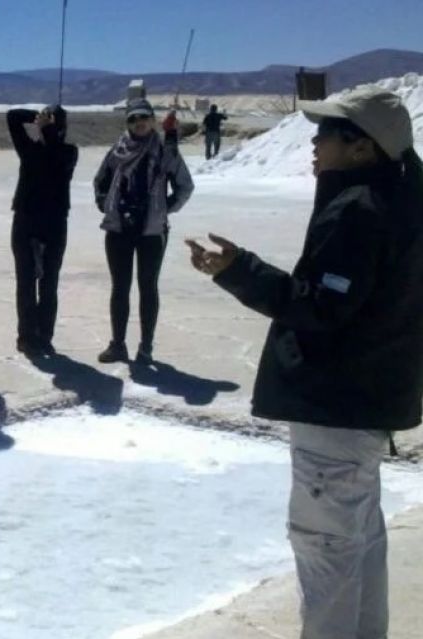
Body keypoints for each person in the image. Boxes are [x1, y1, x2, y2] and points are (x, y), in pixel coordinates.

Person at [187, 87, 423, 639]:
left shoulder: (361, 210)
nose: (313, 142)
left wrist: (238, 271)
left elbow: (321, 306)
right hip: (367, 401)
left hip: (335, 405)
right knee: (359, 544)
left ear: (362, 148)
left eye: (326, 134)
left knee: (328, 554)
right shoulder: (403, 196)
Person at [93, 98, 194, 365]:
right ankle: (118, 345)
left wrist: (166, 208)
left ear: (152, 121)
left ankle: (146, 346)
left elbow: (185, 186)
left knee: (148, 287)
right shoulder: (118, 150)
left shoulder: (164, 151)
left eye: (144, 119)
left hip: (151, 231)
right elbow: (100, 180)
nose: (139, 124)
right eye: (133, 119)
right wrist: (104, 202)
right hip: (119, 229)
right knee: (120, 287)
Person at [6, 105, 78, 357]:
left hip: (55, 224)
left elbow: (55, 159)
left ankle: (44, 336)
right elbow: (12, 117)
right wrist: (37, 115)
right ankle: (26, 336)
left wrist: (48, 130)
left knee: (49, 284)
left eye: (55, 123)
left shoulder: (68, 152)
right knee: (26, 283)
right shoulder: (29, 150)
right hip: (25, 222)